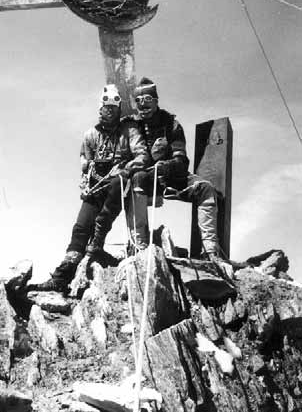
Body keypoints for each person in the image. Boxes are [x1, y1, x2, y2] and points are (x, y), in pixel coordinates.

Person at [32, 84, 149, 293]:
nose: (110, 111)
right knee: (79, 228)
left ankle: (97, 242)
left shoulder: (128, 130)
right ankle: (62, 276)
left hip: (118, 184)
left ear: (119, 108)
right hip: (96, 186)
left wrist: (125, 168)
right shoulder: (91, 135)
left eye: (114, 107)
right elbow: (85, 163)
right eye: (107, 107)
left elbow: (142, 156)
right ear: (100, 109)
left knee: (115, 188)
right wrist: (84, 183)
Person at [127, 77, 220, 259]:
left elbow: (181, 160)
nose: (143, 105)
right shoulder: (132, 126)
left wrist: (165, 167)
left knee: (205, 189)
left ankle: (211, 250)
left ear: (156, 101)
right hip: (146, 178)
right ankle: (141, 247)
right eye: (138, 101)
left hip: (172, 176)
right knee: (136, 180)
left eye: (147, 100)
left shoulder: (172, 125)